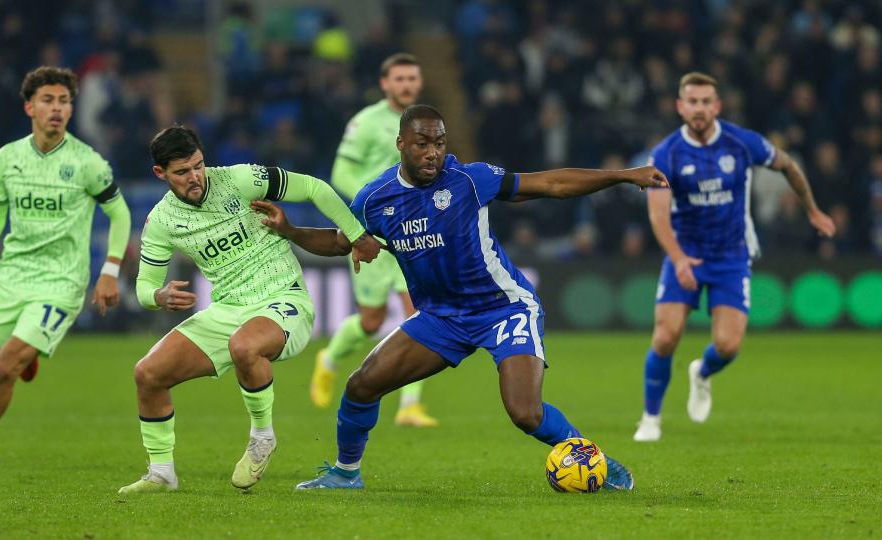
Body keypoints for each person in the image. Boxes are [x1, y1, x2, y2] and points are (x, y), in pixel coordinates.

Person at [283, 105, 666, 490]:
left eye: (439, 143)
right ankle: (346, 473)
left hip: (503, 308)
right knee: (361, 385)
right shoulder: (375, 199)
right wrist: (289, 230)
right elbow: (339, 241)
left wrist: (622, 175)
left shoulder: (469, 179)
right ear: (401, 144)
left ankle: (595, 460)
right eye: (421, 144)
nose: (432, 153)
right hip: (441, 318)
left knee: (525, 413)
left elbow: (550, 184)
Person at [117, 125, 381, 494]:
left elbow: (314, 187)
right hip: (227, 309)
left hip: (283, 298)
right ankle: (161, 474)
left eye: (198, 165)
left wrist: (356, 234)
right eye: (182, 172)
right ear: (160, 173)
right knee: (147, 374)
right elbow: (144, 287)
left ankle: (262, 437)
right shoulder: (162, 221)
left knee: (245, 345)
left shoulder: (240, 179)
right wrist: (158, 297)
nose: (195, 177)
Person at [0, 66, 131, 468]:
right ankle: (27, 354)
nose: (57, 108)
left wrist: (109, 271)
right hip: (13, 278)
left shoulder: (87, 162)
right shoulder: (7, 159)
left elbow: (120, 213)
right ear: (29, 107)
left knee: (4, 368)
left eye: (64, 101)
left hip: (61, 282)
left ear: (71, 110)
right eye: (48, 100)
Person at [633, 72, 836, 442]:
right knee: (665, 336)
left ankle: (702, 372)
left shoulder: (742, 142)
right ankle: (650, 418)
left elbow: (788, 165)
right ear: (680, 107)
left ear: (717, 106)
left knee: (728, 346)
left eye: (705, 102)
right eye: (692, 102)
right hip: (686, 253)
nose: (699, 108)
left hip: (732, 256)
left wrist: (812, 210)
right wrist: (678, 258)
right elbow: (658, 216)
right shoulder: (666, 154)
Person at [312, 53, 438, 427]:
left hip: (413, 232)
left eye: (412, 78)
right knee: (371, 321)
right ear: (385, 83)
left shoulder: (427, 124)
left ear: (420, 82)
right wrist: (377, 202)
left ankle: (409, 405)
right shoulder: (365, 122)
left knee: (420, 314)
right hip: (370, 233)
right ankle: (329, 359)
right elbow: (340, 172)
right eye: (399, 78)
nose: (406, 85)